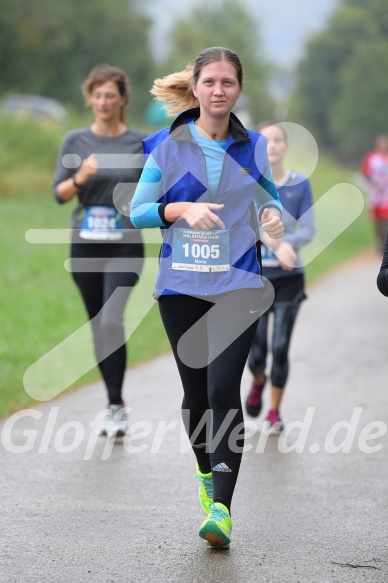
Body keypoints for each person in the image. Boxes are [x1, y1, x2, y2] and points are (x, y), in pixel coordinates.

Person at [130, 47, 284, 548]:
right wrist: (178, 209)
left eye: (229, 83)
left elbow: (269, 203)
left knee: (223, 392)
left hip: (238, 284)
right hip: (181, 286)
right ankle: (205, 470)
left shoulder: (253, 146)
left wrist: (271, 219)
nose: (219, 91)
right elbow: (137, 212)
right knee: (195, 397)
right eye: (211, 82)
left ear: (239, 90)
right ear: (194, 88)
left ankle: (222, 507)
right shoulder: (165, 144)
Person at [53, 64, 146, 435]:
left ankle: (114, 406)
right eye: (97, 95)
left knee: (111, 320)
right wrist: (80, 177)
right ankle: (114, 400)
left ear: (123, 99)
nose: (103, 101)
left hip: (125, 244)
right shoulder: (75, 141)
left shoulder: (140, 142)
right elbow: (59, 194)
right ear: (89, 98)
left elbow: (158, 187)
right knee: (97, 327)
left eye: (111, 95)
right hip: (85, 243)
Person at [245, 121, 316, 434]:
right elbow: (243, 226)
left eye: (276, 140)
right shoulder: (247, 183)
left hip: (289, 278)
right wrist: (272, 242)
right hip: (256, 279)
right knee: (257, 351)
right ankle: (258, 379)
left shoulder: (299, 184)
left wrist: (288, 244)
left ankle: (274, 411)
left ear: (285, 146)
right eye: (264, 141)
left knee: (281, 346)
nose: (271, 146)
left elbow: (309, 228)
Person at [360, 134, 388, 254]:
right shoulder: (371, 157)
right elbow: (365, 172)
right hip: (377, 194)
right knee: (379, 220)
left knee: (386, 219)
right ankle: (381, 243)